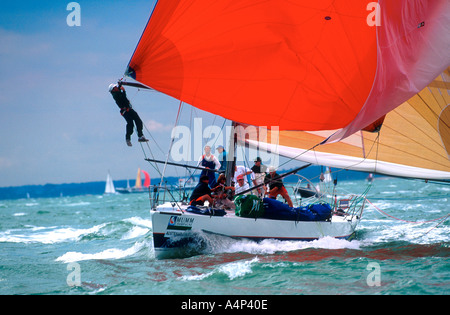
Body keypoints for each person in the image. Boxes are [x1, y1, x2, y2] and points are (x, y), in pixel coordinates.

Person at [109, 82, 148, 147]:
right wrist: (123, 90)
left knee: (138, 120)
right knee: (130, 124)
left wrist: (120, 87)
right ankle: (128, 138)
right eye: (115, 87)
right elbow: (123, 97)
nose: (116, 88)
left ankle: (140, 136)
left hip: (128, 109)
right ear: (113, 90)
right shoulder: (115, 95)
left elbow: (120, 93)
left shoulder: (117, 92)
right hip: (125, 111)